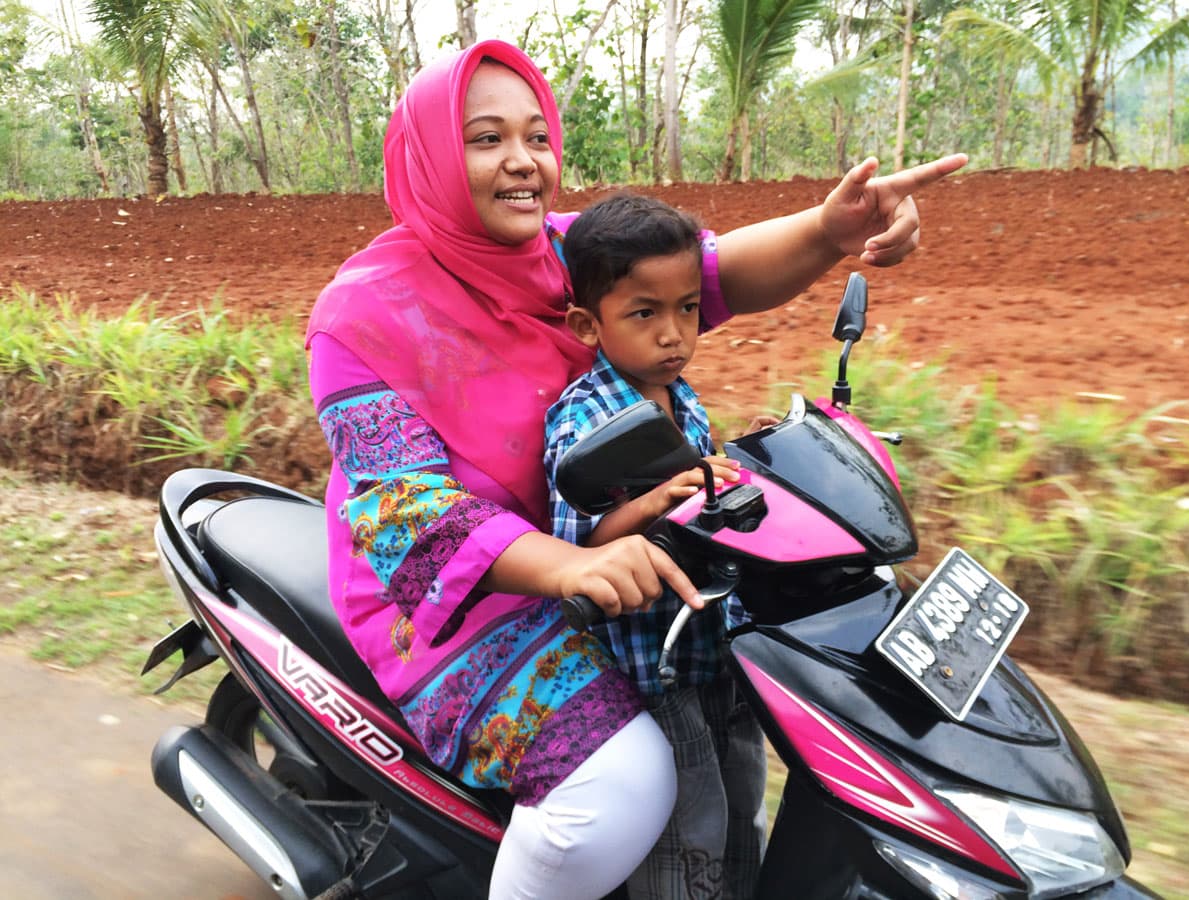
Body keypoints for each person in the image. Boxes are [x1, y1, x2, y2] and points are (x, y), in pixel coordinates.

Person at [304, 36, 966, 900]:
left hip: (608, 555)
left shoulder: (565, 254)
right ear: (428, 155)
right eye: (485, 138)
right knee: (624, 785)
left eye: (537, 137)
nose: (522, 162)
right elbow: (407, 514)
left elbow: (712, 272)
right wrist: (574, 561)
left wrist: (830, 230)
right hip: (454, 604)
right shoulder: (360, 317)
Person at [544, 193, 775, 900]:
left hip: (714, 649)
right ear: (590, 323)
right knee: (687, 835)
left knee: (741, 810)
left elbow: (701, 481)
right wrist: (652, 503)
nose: (673, 334)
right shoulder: (585, 416)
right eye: (644, 313)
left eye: (687, 309)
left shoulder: (682, 394)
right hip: (655, 671)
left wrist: (748, 453)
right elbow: (576, 547)